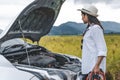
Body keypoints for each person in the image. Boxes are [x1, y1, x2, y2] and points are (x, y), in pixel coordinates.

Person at [77, 5, 107, 80]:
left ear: (87, 15)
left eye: (82, 15)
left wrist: (97, 66)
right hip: (89, 68)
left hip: (94, 69)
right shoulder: (90, 28)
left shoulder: (96, 29)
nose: (81, 18)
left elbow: (103, 50)